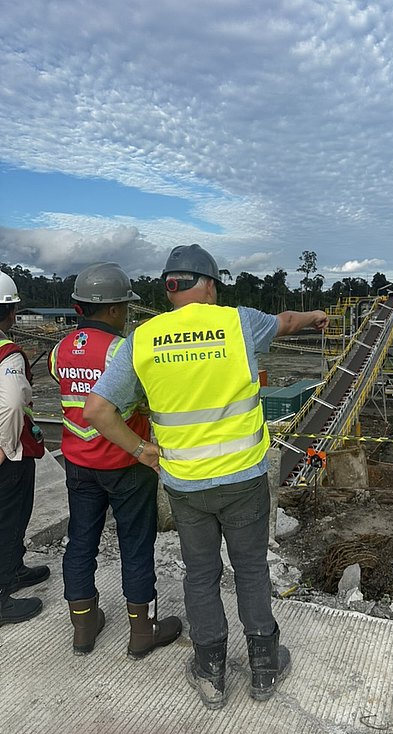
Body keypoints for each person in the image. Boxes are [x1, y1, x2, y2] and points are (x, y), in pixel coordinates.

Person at [84, 244, 329, 709]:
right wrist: (317, 314)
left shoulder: (143, 338)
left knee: (201, 574)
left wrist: (142, 451)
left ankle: (211, 669)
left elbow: (98, 410)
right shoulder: (240, 322)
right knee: (251, 569)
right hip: (243, 478)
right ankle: (263, 667)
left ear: (169, 287)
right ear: (210, 284)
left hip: (185, 484)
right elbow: (290, 322)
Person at [48, 263, 182, 656]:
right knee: (136, 545)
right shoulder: (124, 351)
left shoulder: (59, 351)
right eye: (124, 307)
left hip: (78, 464)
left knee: (81, 542)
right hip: (127, 462)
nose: (126, 314)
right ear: (113, 310)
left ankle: (83, 627)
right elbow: (144, 399)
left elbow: (68, 392)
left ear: (78, 307)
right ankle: (142, 632)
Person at [0, 271, 50, 627]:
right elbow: (14, 404)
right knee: (9, 518)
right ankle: (2, 597)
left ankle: (14, 568)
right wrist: (3, 446)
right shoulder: (9, 354)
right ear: (11, 312)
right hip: (10, 453)